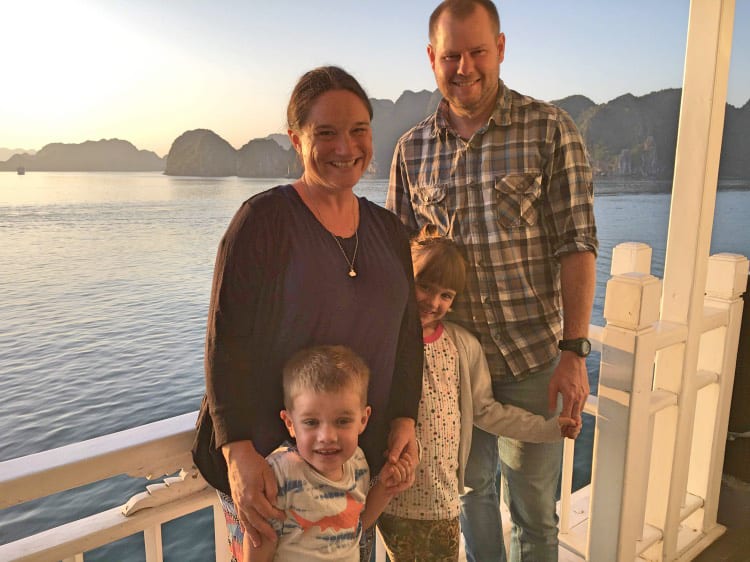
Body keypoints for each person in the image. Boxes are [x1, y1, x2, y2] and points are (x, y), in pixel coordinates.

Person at [386, 1, 598, 560]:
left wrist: (574, 351)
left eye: (477, 51)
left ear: (500, 48)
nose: (465, 67)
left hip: (533, 360)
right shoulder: (413, 150)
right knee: (472, 497)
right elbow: (397, 268)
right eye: (450, 55)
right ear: (432, 58)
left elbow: (577, 246)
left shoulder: (549, 129)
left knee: (535, 513)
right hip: (453, 369)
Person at [192, 65, 423, 562]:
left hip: (350, 468)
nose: (346, 146)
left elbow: (407, 337)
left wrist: (405, 418)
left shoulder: (387, 230)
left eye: (359, 130)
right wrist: (238, 453)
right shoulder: (262, 222)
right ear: (296, 140)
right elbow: (223, 341)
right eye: (326, 133)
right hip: (271, 472)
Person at [377, 228, 581, 562]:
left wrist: (549, 428)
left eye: (446, 295)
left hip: (440, 497)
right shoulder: (382, 339)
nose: (433, 301)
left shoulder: (462, 347)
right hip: (386, 489)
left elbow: (488, 411)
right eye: (424, 286)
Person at [246, 345, 413, 562]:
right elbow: (260, 543)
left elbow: (356, 524)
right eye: (311, 422)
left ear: (363, 419)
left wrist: (385, 488)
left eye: (342, 421)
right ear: (290, 423)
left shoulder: (358, 463)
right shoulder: (279, 473)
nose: (327, 436)